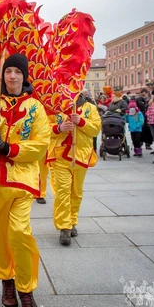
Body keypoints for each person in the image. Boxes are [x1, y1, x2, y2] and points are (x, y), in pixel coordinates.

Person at [0, 53, 50, 307]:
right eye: (8, 71)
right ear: (2, 74)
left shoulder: (36, 108)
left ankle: (26, 289)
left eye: (17, 71)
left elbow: (41, 144)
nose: (13, 76)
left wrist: (8, 148)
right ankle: (6, 280)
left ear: (24, 75)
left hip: (22, 181)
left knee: (19, 232)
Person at [47, 94, 101, 246]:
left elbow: (96, 129)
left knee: (76, 191)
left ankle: (72, 220)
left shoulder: (90, 108)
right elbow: (43, 130)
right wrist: (58, 128)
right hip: (59, 155)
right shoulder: (54, 107)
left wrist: (81, 121)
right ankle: (64, 226)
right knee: (62, 191)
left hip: (81, 156)